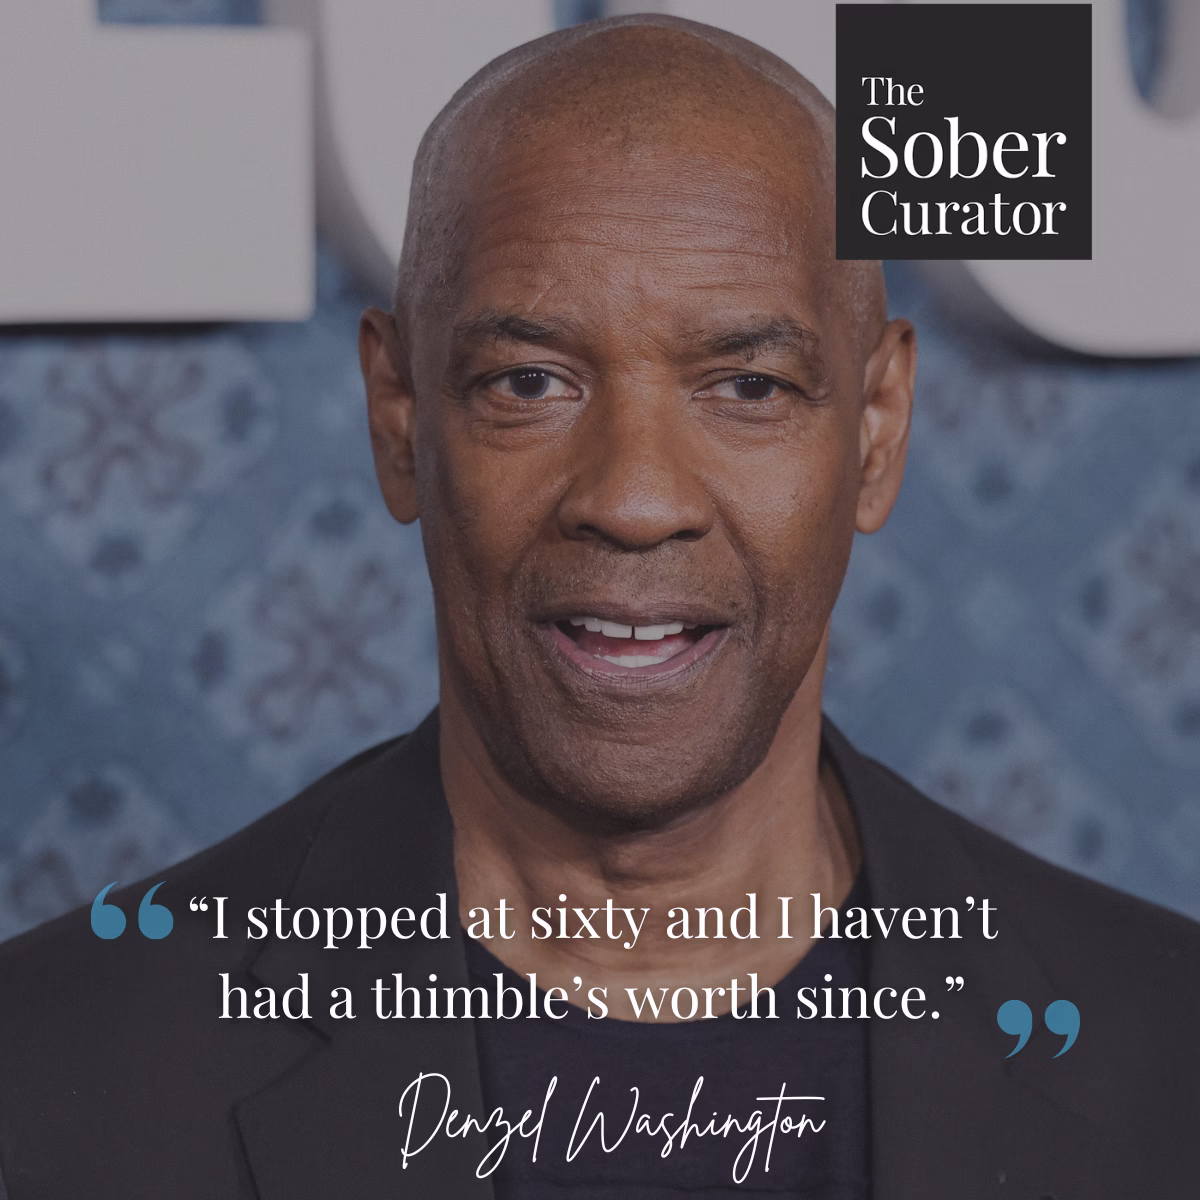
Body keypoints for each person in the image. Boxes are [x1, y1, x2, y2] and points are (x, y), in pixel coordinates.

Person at [0, 14, 1196, 1200]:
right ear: (399, 416)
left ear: (877, 431)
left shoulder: (1168, 1059)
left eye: (747, 386)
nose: (633, 499)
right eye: (530, 382)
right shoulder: (50, 1081)